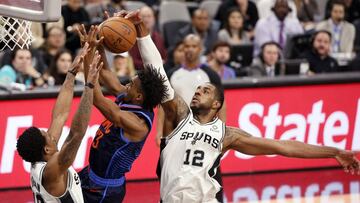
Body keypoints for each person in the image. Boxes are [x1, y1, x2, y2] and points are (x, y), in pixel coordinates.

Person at [124, 10, 360, 203]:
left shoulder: (228, 135)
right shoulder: (180, 115)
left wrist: (335, 152)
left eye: (205, 91)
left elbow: (282, 146)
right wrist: (142, 33)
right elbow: (158, 73)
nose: (197, 92)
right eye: (197, 90)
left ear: (217, 104)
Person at [75, 18, 171, 202]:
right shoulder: (132, 99)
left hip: (104, 189)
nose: (126, 85)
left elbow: (95, 97)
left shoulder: (137, 124)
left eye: (131, 85)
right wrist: (100, 41)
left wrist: (87, 54)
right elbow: (106, 75)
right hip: (90, 173)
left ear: (138, 97)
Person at [16, 43, 103, 202]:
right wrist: (89, 86)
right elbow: (76, 135)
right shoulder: (52, 171)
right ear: (47, 149)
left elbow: (60, 115)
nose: (50, 134)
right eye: (47, 136)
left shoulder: (42, 158)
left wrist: (71, 74)